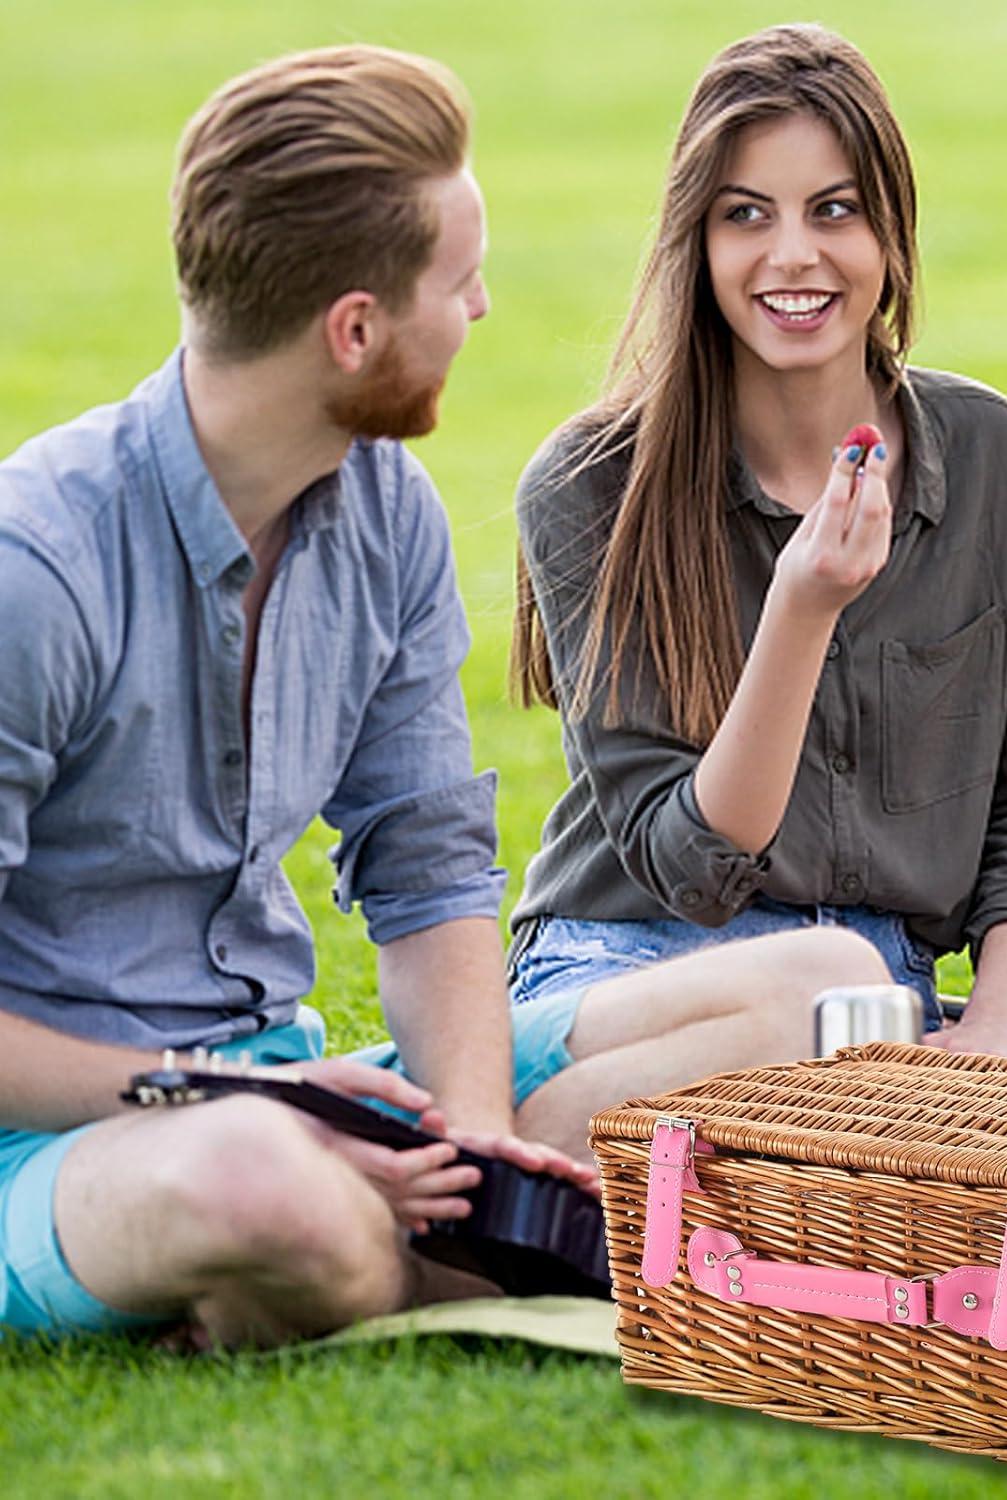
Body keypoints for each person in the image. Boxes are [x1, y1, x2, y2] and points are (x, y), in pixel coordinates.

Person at [0, 45, 853, 1349]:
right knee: (254, 1178)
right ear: (355, 330)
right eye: (458, 284)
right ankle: (328, 1234)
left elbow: (429, 866)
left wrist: (477, 1146)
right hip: (77, 1137)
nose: (482, 308)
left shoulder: (384, 509)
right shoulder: (38, 570)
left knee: (828, 987)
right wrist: (225, 1101)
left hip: (297, 1086)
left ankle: (386, 1242)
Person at [509, 24, 1007, 1062]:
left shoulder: (989, 455)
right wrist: (802, 606)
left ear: (891, 232)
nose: (792, 255)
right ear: (696, 241)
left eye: (835, 210)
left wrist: (998, 1027)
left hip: (874, 1002)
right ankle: (529, 1125)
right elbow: (688, 869)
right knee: (814, 1018)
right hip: (629, 969)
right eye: (746, 215)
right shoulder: (589, 486)